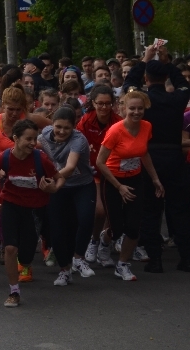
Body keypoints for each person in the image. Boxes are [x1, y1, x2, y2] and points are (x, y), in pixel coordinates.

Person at [0, 119, 64, 307]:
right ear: (15, 138)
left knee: (26, 255)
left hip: (35, 209)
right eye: (28, 139)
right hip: (10, 205)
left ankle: (26, 261)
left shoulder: (39, 159)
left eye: (35, 139)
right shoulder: (4, 158)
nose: (33, 143)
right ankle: (14, 291)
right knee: (10, 248)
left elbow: (59, 179)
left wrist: (53, 188)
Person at [122, 43, 190, 272]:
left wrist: (144, 59)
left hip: (150, 156)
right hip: (174, 156)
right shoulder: (177, 99)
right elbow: (183, 85)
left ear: (147, 79)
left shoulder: (142, 102)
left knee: (151, 210)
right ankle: (186, 257)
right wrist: (167, 62)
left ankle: (155, 258)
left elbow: (129, 83)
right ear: (165, 78)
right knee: (179, 209)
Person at [96, 90, 165, 281]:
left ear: (145, 109)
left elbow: (144, 153)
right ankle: (104, 239)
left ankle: (122, 264)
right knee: (117, 228)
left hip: (134, 179)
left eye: (140, 108)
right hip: (112, 181)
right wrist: (119, 187)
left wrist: (155, 178)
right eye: (132, 108)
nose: (136, 112)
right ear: (123, 109)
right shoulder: (115, 131)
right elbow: (100, 162)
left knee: (134, 227)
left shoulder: (146, 127)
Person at [39, 106, 97, 286]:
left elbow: (71, 167)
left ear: (74, 127)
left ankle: (79, 258)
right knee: (56, 230)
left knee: (86, 219)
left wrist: (53, 180)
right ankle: (64, 270)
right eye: (58, 127)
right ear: (52, 125)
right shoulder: (44, 135)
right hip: (59, 187)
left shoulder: (78, 140)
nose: (62, 131)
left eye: (67, 128)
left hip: (82, 185)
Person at [77, 85, 122, 267]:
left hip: (115, 172)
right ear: (93, 103)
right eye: (100, 104)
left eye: (108, 104)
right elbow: (78, 145)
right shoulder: (86, 122)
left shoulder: (118, 122)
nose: (104, 107)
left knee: (115, 212)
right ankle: (94, 240)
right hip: (94, 172)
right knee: (100, 211)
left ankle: (105, 243)